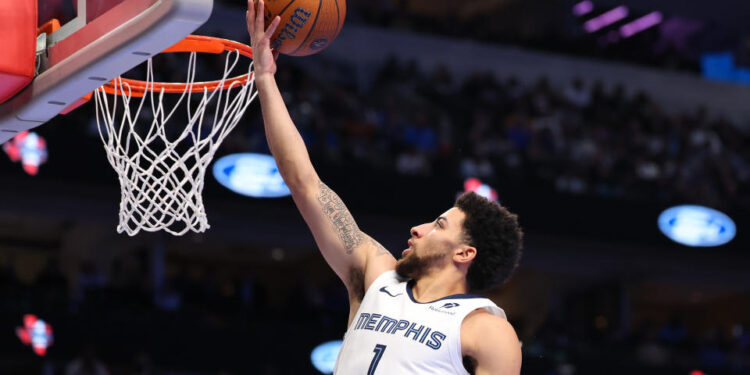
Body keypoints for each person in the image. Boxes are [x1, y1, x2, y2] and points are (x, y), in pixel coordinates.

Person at [246, 1, 524, 373]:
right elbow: (305, 183)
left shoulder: (486, 330)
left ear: (464, 254)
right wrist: (265, 77)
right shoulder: (376, 274)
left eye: (439, 225)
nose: (418, 228)